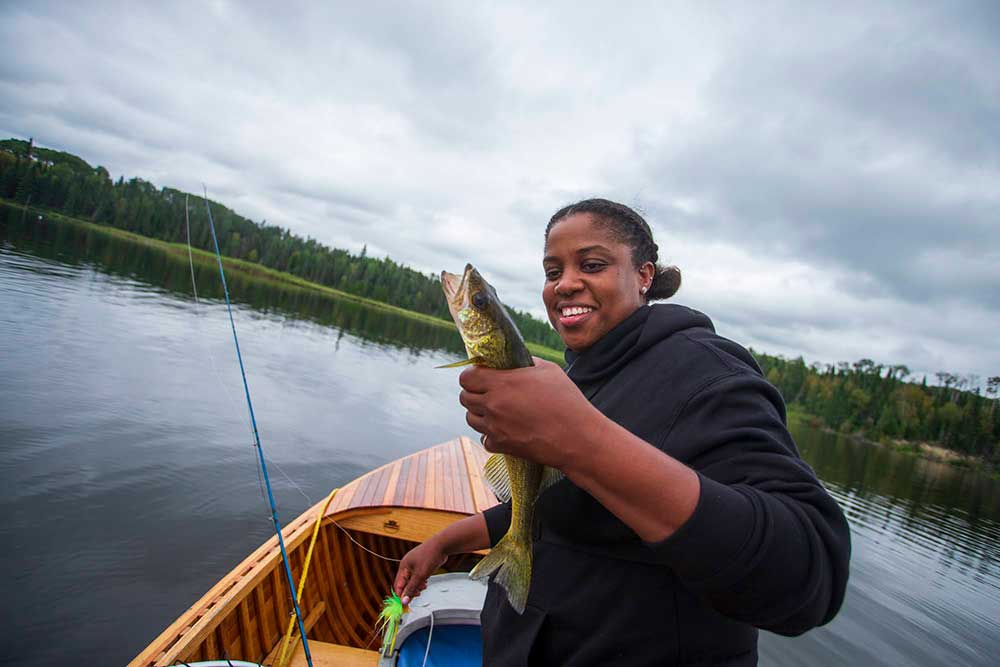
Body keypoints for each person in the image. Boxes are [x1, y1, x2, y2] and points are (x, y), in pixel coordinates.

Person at [394, 198, 851, 665]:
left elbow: (809, 578)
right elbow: (556, 506)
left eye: (591, 265)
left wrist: (579, 441)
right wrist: (445, 541)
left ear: (645, 276)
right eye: (552, 272)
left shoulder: (707, 374)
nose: (566, 284)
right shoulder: (582, 380)